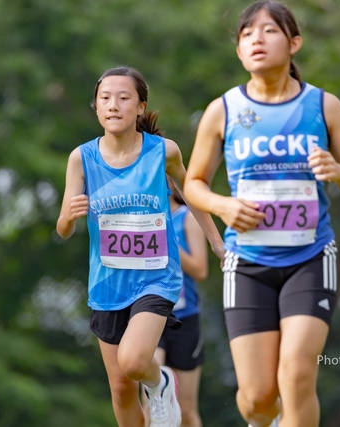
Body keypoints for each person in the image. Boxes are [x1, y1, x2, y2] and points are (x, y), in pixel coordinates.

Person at [183, 2, 340, 427]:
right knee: (258, 400)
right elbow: (193, 183)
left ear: (294, 43)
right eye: (247, 34)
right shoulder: (223, 110)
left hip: (310, 257)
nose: (257, 39)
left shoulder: (324, 106)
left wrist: (338, 171)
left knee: (297, 375)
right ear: (238, 51)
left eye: (269, 31)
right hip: (248, 264)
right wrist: (223, 205)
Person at [56, 65, 224, 427]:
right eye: (105, 98)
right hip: (107, 284)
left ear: (140, 107)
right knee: (121, 389)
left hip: (155, 278)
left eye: (123, 98)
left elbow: (192, 195)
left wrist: (216, 241)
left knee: (134, 362)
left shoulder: (163, 152)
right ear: (96, 107)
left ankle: (160, 382)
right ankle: (153, 392)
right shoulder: (81, 158)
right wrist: (68, 216)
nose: (113, 105)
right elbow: (64, 229)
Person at [145, 181, 208, 427]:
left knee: (186, 410)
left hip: (184, 317)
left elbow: (200, 270)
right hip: (149, 316)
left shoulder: (187, 218)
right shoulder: (139, 220)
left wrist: (166, 241)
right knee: (151, 402)